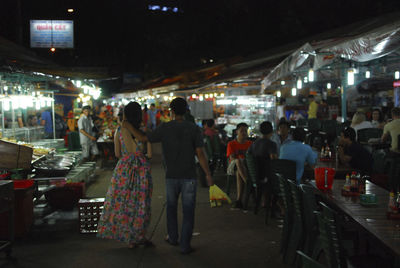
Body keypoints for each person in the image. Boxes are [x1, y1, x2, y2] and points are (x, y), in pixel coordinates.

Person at [122, 97, 213, 254]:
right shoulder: (193, 128)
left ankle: (172, 237)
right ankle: (185, 245)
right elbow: (200, 153)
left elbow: (143, 138)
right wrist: (208, 174)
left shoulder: (165, 127)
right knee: (188, 210)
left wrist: (127, 125)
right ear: (186, 111)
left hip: (171, 175)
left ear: (171, 111)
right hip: (189, 176)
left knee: (171, 208)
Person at [97, 102, 153, 248]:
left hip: (123, 169)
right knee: (140, 203)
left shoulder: (119, 130)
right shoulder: (142, 132)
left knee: (124, 202)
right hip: (141, 169)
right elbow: (149, 151)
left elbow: (117, 153)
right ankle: (139, 235)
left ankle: (128, 238)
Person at [248, 121, 278, 213]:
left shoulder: (254, 143)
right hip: (266, 177)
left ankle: (265, 201)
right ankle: (279, 208)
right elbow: (274, 161)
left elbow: (248, 155)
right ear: (272, 131)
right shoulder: (271, 144)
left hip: (256, 175)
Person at [227, 123, 253, 209]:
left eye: (245, 131)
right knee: (238, 161)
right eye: (242, 131)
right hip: (233, 166)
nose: (244, 133)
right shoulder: (231, 144)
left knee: (239, 172)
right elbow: (232, 158)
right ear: (237, 132)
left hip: (245, 167)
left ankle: (239, 201)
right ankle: (248, 183)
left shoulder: (250, 144)